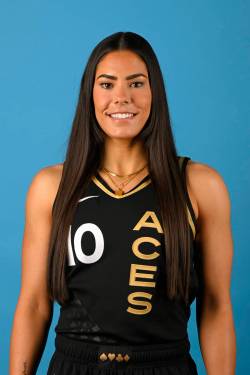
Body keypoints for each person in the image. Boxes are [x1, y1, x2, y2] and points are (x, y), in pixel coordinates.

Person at [9, 31, 236, 375]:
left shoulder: (200, 185)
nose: (121, 97)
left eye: (136, 83)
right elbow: (34, 303)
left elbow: (216, 305)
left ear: (154, 92)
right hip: (75, 365)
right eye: (107, 84)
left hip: (164, 365)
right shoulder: (52, 186)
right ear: (90, 94)